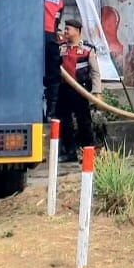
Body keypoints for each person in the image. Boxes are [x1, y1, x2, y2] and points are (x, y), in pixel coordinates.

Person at [56, 19, 101, 162]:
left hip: (81, 90)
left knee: (84, 122)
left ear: (77, 31)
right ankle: (70, 152)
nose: (65, 32)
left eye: (68, 29)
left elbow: (95, 73)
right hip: (63, 90)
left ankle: (88, 153)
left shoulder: (87, 49)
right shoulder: (61, 48)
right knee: (64, 122)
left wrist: (97, 93)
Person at [43, 0, 65, 119]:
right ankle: (51, 111)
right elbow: (57, 22)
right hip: (51, 38)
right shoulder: (59, 1)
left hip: (33, 36)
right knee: (54, 76)